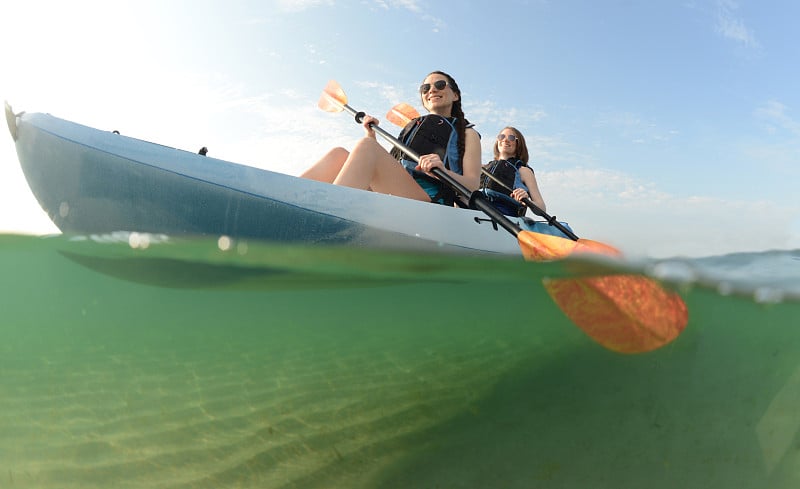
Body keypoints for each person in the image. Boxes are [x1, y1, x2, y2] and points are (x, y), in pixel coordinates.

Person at [301, 71, 482, 205]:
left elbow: (472, 185)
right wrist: (371, 136)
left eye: (440, 85)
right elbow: (384, 165)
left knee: (367, 147)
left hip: (431, 201)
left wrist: (442, 171)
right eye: (425, 88)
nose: (432, 90)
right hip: (398, 192)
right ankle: (286, 200)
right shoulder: (414, 126)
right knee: (339, 154)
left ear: (455, 95)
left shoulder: (468, 133)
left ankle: (327, 213)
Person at [480, 126, 546, 216]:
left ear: (518, 144)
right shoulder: (482, 168)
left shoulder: (524, 171)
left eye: (511, 138)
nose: (505, 140)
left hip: (504, 218)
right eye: (501, 137)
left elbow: (541, 207)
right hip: (476, 212)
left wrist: (526, 201)